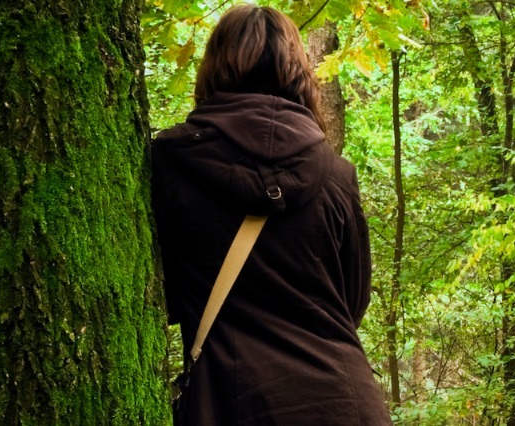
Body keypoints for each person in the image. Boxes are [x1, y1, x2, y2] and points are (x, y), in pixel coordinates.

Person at [151, 5, 392, 425]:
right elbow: (351, 302)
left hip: (232, 400)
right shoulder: (336, 174)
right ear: (297, 70)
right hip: (346, 402)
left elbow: (162, 297)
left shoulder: (171, 163)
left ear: (215, 66)